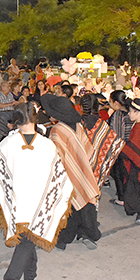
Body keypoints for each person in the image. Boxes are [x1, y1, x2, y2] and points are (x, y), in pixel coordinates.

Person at [0, 101, 74, 280]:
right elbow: (59, 176)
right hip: (38, 201)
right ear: (35, 118)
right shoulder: (47, 145)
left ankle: (30, 271)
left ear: (16, 120)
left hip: (17, 201)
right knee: (28, 240)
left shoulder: (6, 144)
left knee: (29, 236)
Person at [40, 94, 100, 250]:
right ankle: (88, 233)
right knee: (85, 202)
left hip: (66, 174)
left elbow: (54, 156)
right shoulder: (78, 125)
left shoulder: (57, 130)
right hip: (82, 170)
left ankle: (63, 238)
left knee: (67, 206)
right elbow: (87, 149)